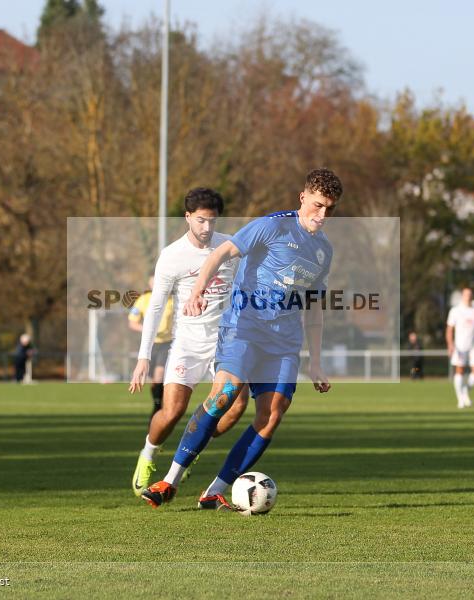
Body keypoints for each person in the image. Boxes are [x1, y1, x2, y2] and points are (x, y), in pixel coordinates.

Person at [141, 168, 341, 510]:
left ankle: (213, 492)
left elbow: (314, 308)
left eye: (330, 209)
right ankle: (169, 480)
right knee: (224, 395)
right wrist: (198, 291)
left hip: (284, 342)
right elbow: (219, 254)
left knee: (272, 415)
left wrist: (317, 363)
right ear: (303, 197)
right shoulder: (271, 226)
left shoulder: (324, 250)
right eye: (318, 205)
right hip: (244, 328)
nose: (322, 215)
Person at [129, 188, 249, 497]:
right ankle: (148, 454)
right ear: (187, 217)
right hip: (187, 344)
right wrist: (143, 357)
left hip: (226, 343)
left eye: (212, 221)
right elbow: (155, 307)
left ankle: (191, 449)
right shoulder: (172, 255)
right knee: (172, 412)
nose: (207, 228)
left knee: (236, 407)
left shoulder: (229, 245)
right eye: (200, 221)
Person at [128, 275, 174, 416]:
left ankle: (160, 406)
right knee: (154, 380)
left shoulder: (172, 300)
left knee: (160, 374)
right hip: (150, 344)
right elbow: (132, 322)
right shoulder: (143, 300)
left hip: (167, 343)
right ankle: (157, 403)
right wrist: (148, 330)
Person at [446, 287, 474, 408]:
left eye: (470, 294)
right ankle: (460, 399)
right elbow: (449, 329)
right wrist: (450, 344)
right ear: (462, 296)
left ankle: (465, 391)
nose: (468, 297)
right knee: (459, 371)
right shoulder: (455, 311)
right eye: (466, 294)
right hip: (460, 346)